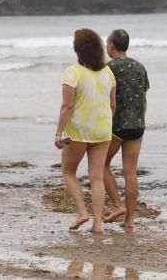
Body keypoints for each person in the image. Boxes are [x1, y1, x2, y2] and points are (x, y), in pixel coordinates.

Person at [55, 28, 116, 234]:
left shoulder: (73, 72)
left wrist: (58, 133)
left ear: (77, 49)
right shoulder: (108, 72)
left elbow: (67, 106)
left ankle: (82, 212)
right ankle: (98, 224)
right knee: (97, 177)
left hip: (79, 130)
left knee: (69, 171)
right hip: (103, 129)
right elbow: (113, 105)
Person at [101, 29, 150, 231]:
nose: (106, 46)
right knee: (130, 171)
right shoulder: (140, 67)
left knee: (101, 165)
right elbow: (144, 98)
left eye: (107, 43)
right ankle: (129, 220)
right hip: (137, 125)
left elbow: (104, 98)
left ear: (112, 45)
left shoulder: (108, 68)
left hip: (116, 126)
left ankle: (118, 205)